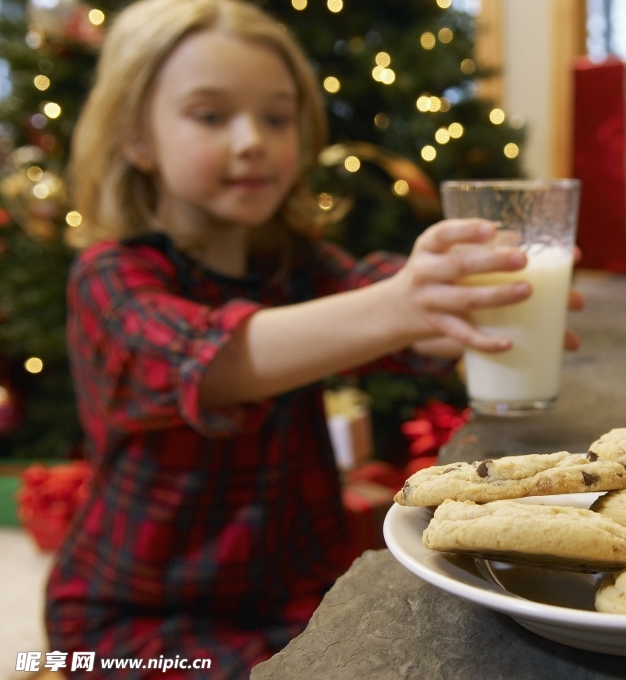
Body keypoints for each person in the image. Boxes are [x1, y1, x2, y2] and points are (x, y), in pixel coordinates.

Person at [45, 0, 582, 677]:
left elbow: (379, 301)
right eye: (210, 115)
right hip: (140, 618)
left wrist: (470, 304)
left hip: (293, 590)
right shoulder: (109, 277)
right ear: (136, 136)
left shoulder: (296, 263)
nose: (252, 141)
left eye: (276, 117)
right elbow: (210, 360)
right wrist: (405, 303)